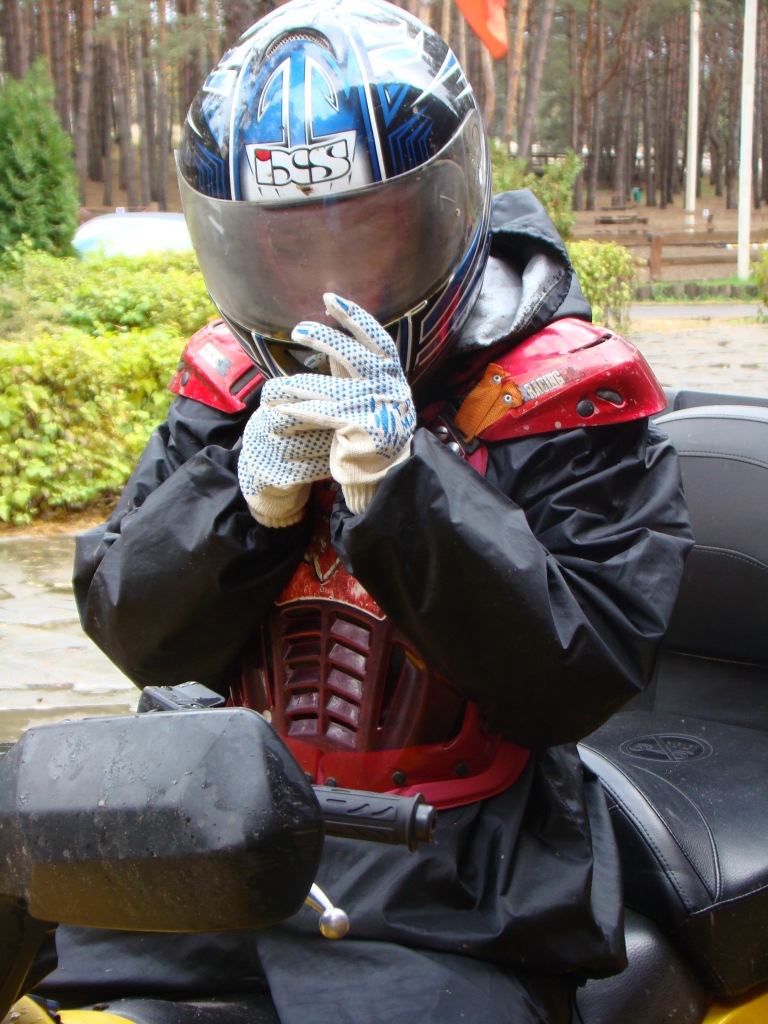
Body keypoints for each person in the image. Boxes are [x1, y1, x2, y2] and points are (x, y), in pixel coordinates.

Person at [43, 1, 693, 1021]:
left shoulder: (559, 392)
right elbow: (131, 628)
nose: (325, 285)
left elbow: (580, 672)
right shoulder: (228, 386)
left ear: (441, 207)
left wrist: (404, 489)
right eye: (286, 249)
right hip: (216, 857)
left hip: (461, 884)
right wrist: (239, 506)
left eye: (366, 233)